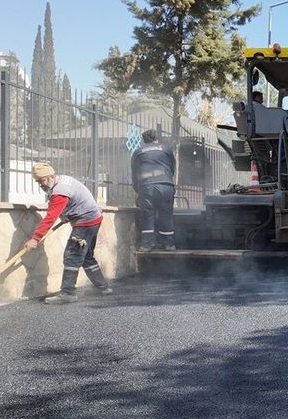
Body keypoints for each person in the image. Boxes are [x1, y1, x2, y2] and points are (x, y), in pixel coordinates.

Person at [25, 162, 112, 304]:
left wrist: (35, 238)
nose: (41, 185)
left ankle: (68, 293)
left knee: (72, 256)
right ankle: (102, 287)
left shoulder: (59, 192)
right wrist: (68, 215)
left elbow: (50, 217)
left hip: (85, 222)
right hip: (93, 219)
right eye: (38, 182)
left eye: (42, 181)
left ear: (51, 177)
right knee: (85, 256)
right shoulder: (62, 180)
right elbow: (70, 203)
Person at [131, 129, 176, 251]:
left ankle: (147, 244)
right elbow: (172, 167)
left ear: (144, 141)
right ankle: (168, 244)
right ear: (157, 139)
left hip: (146, 187)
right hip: (165, 185)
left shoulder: (138, 152)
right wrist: (167, 179)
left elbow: (134, 174)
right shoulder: (166, 148)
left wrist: (138, 190)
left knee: (147, 214)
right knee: (166, 214)